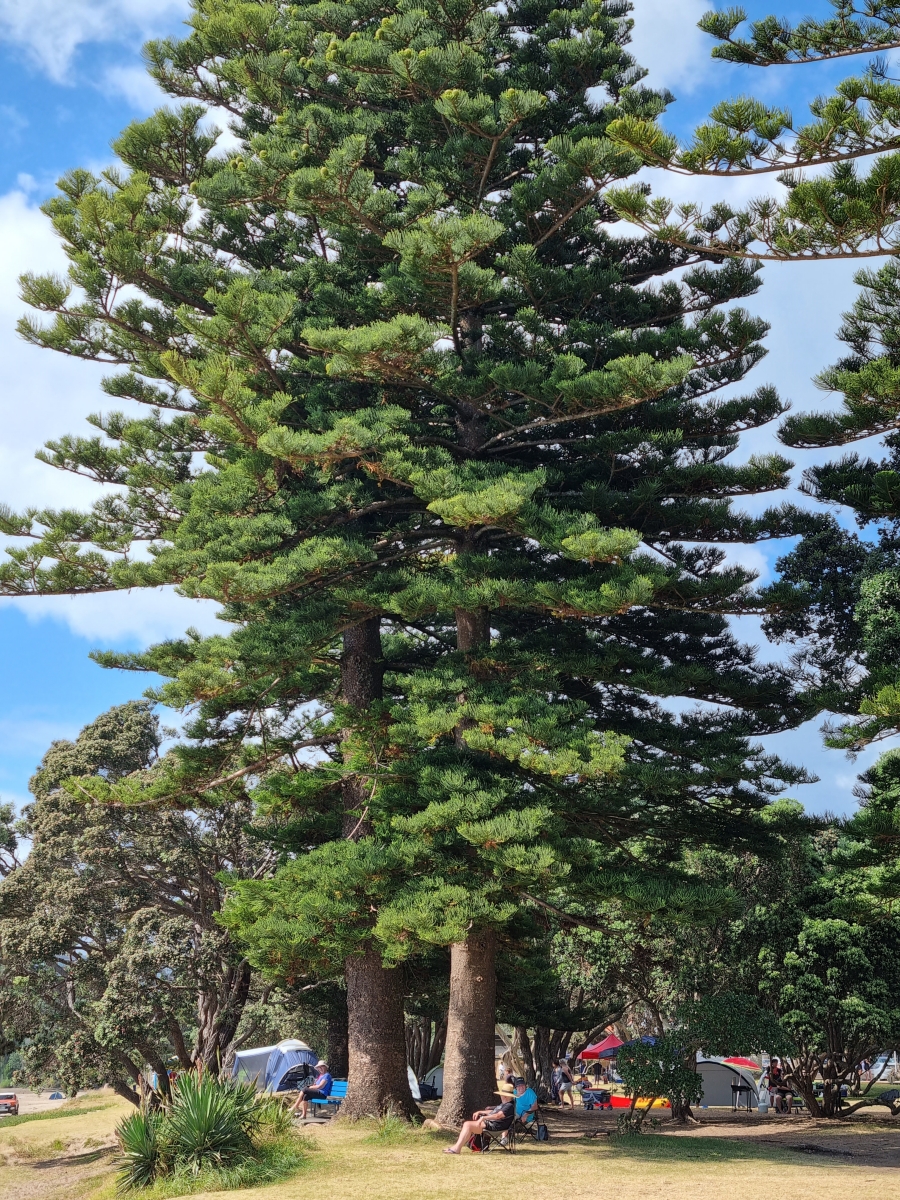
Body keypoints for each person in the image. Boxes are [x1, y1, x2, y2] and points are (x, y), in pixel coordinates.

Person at [443, 1093, 516, 1154]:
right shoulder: (504, 1104)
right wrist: (480, 1112)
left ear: (505, 1096)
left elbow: (497, 1116)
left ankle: (457, 1149)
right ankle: (457, 1147)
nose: (500, 1096)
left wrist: (483, 1118)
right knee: (467, 1124)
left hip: (494, 1127)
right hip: (491, 1124)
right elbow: (493, 1112)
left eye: (501, 1094)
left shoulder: (508, 1106)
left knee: (468, 1125)